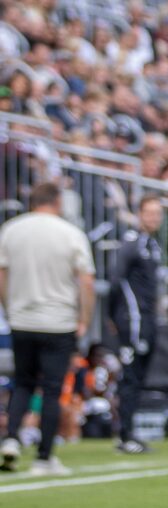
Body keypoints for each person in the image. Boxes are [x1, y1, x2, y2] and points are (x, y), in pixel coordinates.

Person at [0, 182, 95, 475]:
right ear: (56, 201)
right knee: (53, 389)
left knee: (24, 382)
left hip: (22, 318)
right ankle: (44, 456)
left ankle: (12, 438)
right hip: (58, 321)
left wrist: (9, 309)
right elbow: (86, 281)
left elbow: (2, 274)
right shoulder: (69, 233)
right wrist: (84, 319)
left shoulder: (12, 230)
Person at [110, 194, 162, 454]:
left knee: (139, 376)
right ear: (139, 214)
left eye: (157, 213)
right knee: (130, 377)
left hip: (148, 319)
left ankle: (129, 432)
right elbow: (116, 281)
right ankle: (125, 435)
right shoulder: (132, 243)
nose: (154, 218)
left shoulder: (152, 245)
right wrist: (114, 316)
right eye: (150, 212)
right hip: (134, 321)